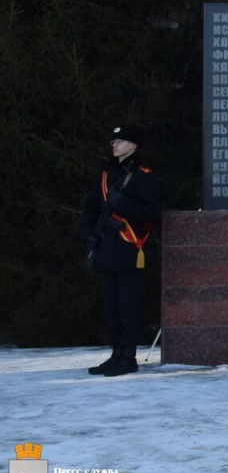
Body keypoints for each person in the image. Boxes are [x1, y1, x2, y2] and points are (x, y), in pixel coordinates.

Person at [79, 124, 160, 377]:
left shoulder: (143, 176)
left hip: (128, 248)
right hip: (106, 248)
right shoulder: (105, 175)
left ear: (133, 146)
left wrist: (121, 204)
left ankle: (128, 357)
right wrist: (89, 234)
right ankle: (116, 354)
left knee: (128, 306)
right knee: (111, 307)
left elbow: (150, 213)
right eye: (113, 141)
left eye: (120, 140)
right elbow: (91, 207)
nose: (114, 144)